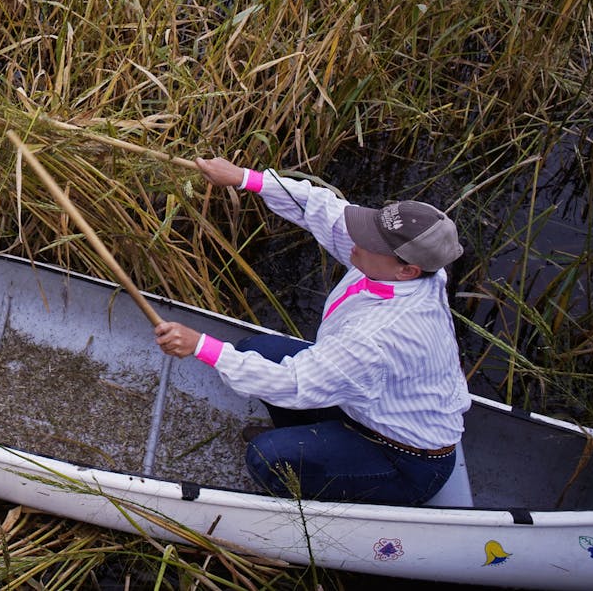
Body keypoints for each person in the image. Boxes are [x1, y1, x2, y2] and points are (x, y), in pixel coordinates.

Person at [154, 156, 470, 505]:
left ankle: (316, 494)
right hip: (370, 410)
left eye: (371, 243)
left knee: (266, 458)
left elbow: (291, 383)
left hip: (406, 461)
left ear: (407, 270)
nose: (356, 240)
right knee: (253, 350)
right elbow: (330, 212)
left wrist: (200, 345)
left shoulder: (378, 336)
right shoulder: (418, 270)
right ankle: (307, 440)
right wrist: (245, 178)